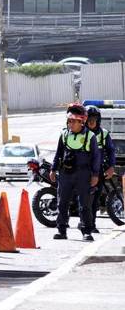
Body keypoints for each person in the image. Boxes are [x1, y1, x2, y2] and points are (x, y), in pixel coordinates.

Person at [50, 103, 100, 241]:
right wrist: (53, 169)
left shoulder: (90, 136)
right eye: (69, 121)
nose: (70, 124)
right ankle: (61, 230)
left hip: (84, 175)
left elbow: (96, 157)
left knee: (84, 204)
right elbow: (58, 153)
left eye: (73, 121)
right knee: (62, 202)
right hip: (65, 174)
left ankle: (86, 231)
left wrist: (95, 175)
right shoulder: (64, 135)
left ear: (81, 122)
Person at [85, 105, 116, 233]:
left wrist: (111, 167)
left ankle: (91, 225)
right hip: (82, 171)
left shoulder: (104, 134)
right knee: (84, 199)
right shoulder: (80, 133)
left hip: (98, 171)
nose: (91, 121)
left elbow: (111, 151)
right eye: (89, 119)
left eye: (94, 118)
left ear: (98, 119)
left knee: (94, 199)